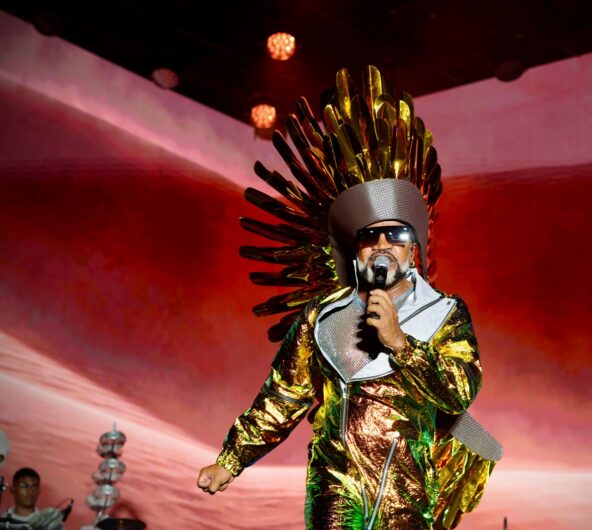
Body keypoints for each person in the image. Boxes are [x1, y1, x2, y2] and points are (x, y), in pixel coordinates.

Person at [197, 67, 501, 529]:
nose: (382, 245)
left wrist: (401, 344)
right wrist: (231, 460)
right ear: (355, 249)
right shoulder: (322, 315)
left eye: (395, 236)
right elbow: (284, 394)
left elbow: (460, 391)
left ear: (413, 249)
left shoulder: (444, 313)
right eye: (369, 237)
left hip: (405, 491)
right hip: (335, 486)